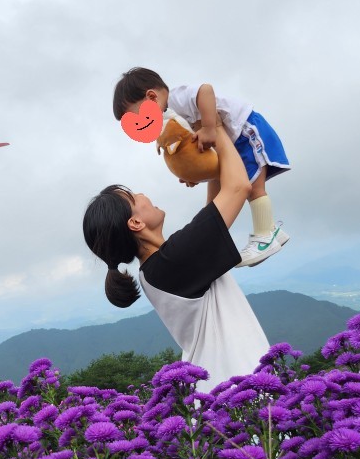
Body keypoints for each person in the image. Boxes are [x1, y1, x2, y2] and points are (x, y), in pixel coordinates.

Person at [83, 124, 269, 389]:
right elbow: (238, 186)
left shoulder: (158, 268)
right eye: (135, 197)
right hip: (241, 397)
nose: (143, 195)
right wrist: (214, 126)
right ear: (135, 223)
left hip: (222, 391)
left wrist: (203, 165)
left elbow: (213, 210)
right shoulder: (173, 261)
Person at [112, 67, 290, 267]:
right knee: (217, 194)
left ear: (151, 97)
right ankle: (215, 238)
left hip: (244, 129)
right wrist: (195, 173)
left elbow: (205, 90)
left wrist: (208, 127)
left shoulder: (177, 98)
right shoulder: (168, 117)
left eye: (137, 118)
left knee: (254, 187)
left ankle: (266, 233)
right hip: (231, 143)